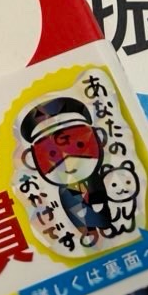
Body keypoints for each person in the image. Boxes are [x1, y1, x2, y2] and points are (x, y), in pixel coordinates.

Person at [19, 96, 112, 232]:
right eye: (52, 154)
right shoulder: (66, 192)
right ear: (31, 159)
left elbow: (100, 201)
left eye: (79, 146)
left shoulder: (96, 181)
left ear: (99, 138)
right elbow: (75, 213)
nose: (69, 162)